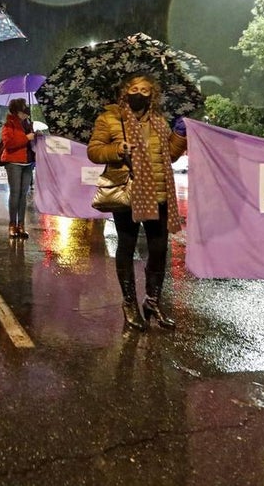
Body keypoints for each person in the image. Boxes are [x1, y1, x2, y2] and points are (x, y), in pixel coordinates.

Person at [87, 71, 187, 332]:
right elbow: (94, 151)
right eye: (134, 89)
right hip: (128, 190)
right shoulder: (110, 118)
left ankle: (152, 301)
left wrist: (179, 135)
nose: (139, 94)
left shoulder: (159, 121)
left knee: (159, 249)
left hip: (159, 191)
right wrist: (118, 150)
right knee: (127, 245)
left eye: (145, 90)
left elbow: (171, 156)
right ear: (124, 92)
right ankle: (129, 303)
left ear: (152, 94)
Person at [1, 97, 36, 239]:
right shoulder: (9, 124)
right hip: (14, 163)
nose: (26, 110)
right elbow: (9, 143)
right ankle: (12, 225)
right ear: (17, 111)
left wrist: (35, 135)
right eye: (23, 108)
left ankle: (21, 225)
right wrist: (27, 138)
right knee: (15, 194)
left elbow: (31, 141)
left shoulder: (28, 123)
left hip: (28, 163)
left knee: (23, 194)